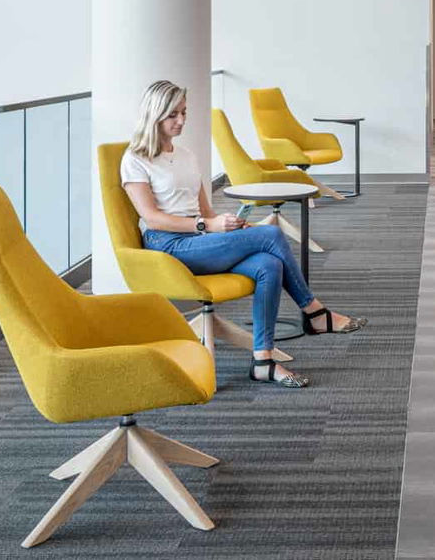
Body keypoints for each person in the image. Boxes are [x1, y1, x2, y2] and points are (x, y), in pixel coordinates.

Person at [120, 80, 365, 389]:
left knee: (268, 265)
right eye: (173, 115)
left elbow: (205, 211)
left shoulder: (186, 156)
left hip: (200, 240)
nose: (181, 121)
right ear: (154, 115)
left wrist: (231, 228)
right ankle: (315, 312)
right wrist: (207, 226)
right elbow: (152, 219)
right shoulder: (135, 159)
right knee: (272, 236)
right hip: (168, 245)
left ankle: (263, 360)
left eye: (184, 112)